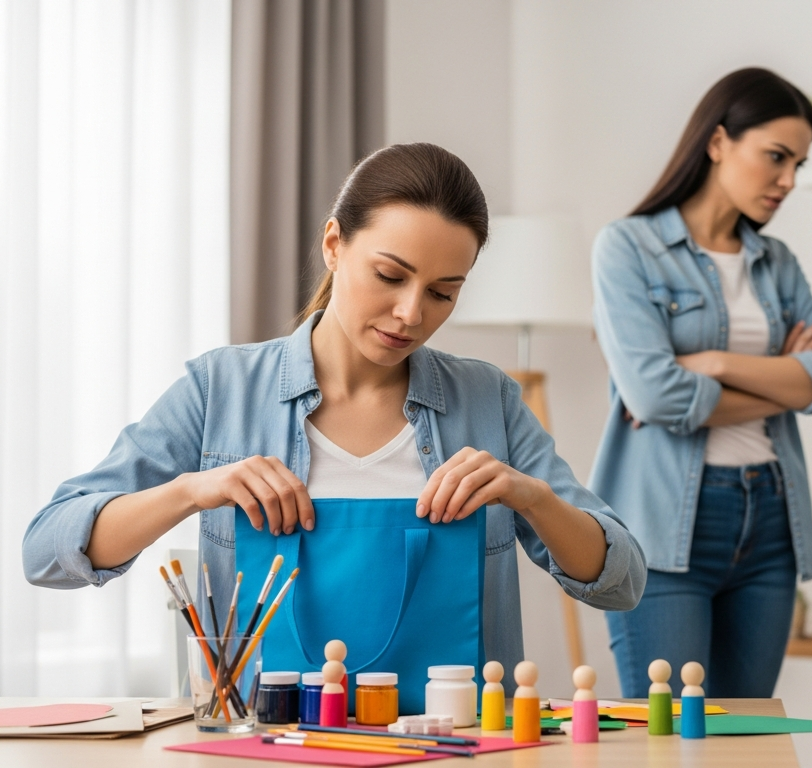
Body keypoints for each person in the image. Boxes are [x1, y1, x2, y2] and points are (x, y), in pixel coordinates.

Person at [23, 143, 646, 677]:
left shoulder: (490, 401)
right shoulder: (220, 388)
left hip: (458, 748)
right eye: (389, 275)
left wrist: (532, 497)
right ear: (333, 244)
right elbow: (46, 552)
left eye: (441, 293)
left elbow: (621, 581)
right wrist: (193, 490)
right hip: (268, 747)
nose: (411, 313)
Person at [589, 68, 812, 698]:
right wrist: (787, 380)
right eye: (776, 157)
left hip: (771, 521)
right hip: (660, 531)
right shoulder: (627, 248)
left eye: (799, 164)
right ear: (716, 143)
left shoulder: (777, 263)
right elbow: (657, 395)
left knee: (748, 742)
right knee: (673, 743)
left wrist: (715, 363)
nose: (789, 180)